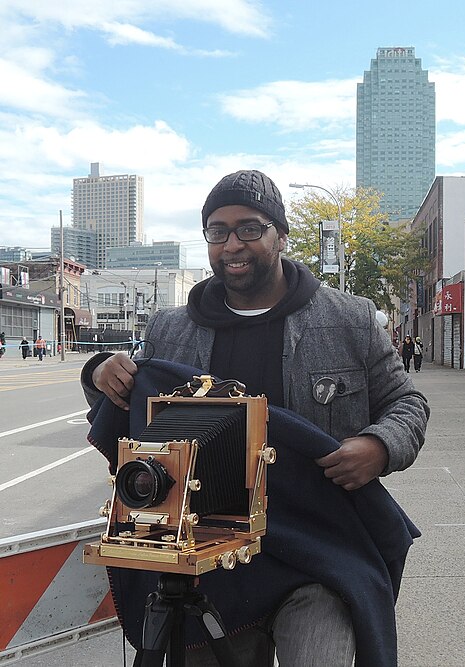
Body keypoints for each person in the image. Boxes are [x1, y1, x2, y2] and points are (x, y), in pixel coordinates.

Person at [81, 170, 429, 667]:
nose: (231, 245)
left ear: (280, 236)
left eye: (249, 228)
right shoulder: (170, 330)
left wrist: (378, 447)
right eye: (217, 231)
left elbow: (407, 404)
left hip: (318, 552)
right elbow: (127, 393)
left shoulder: (349, 319)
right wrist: (97, 371)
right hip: (208, 562)